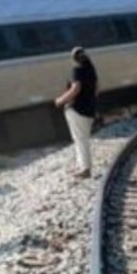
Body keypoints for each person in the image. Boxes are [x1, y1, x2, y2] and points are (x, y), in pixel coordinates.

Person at [54, 46, 99, 178]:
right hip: (89, 110)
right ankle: (83, 167)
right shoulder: (92, 71)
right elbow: (96, 90)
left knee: (80, 140)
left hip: (77, 110)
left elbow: (76, 89)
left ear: (74, 58)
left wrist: (60, 100)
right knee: (82, 139)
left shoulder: (77, 70)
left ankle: (85, 169)